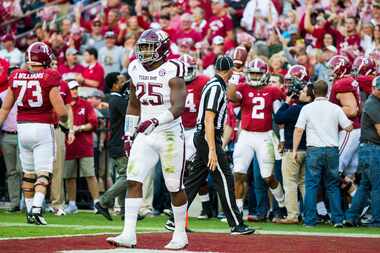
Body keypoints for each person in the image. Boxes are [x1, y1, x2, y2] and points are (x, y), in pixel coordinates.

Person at [106, 29, 189, 250]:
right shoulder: (134, 67)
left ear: (162, 48)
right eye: (142, 47)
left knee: (174, 186)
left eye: (149, 47)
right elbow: (134, 104)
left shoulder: (173, 68)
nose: (144, 52)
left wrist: (154, 121)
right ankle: (128, 234)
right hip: (145, 133)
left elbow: (179, 106)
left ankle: (180, 233)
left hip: (169, 133)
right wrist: (128, 133)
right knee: (134, 179)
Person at [182, 55, 254, 235]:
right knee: (225, 179)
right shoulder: (215, 87)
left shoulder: (216, 84)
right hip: (208, 136)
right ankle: (236, 224)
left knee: (194, 180)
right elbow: (209, 119)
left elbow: (231, 96)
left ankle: (174, 219)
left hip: (204, 136)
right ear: (229, 70)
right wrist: (213, 149)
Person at [0, 42, 68, 225]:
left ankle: (30, 210)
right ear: (46, 57)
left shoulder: (15, 75)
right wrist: (64, 122)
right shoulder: (50, 75)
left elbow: (5, 108)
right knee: (43, 173)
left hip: (22, 128)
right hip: (42, 127)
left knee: (28, 173)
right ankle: (37, 210)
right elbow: (62, 112)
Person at [227, 58, 286, 215]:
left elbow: (279, 118)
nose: (254, 77)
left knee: (267, 176)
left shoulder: (273, 91)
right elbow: (231, 95)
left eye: (257, 74)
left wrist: (282, 137)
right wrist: (235, 74)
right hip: (246, 135)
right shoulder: (243, 87)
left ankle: (282, 205)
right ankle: (238, 211)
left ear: (265, 74)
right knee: (238, 173)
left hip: (264, 137)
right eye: (252, 74)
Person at [293, 80, 353, 227]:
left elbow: (299, 130)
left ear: (313, 92)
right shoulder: (335, 108)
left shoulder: (307, 108)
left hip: (314, 149)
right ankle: (338, 220)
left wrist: (294, 149)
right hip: (332, 150)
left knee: (311, 185)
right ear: (327, 92)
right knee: (332, 185)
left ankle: (310, 221)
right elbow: (349, 127)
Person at [274, 66, 314, 224]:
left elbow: (278, 118)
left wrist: (286, 102)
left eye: (293, 83)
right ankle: (310, 215)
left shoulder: (296, 108)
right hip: (309, 149)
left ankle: (292, 215)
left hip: (294, 150)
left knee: (290, 183)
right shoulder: (311, 107)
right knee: (304, 184)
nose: (289, 86)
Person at [344, 76, 380, 227]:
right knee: (377, 186)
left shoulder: (374, 103)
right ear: (373, 89)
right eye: (378, 88)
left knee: (365, 186)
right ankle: (377, 220)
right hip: (372, 149)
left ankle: (351, 217)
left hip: (368, 149)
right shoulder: (373, 104)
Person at [95, 72, 129, 221]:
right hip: (119, 143)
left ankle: (123, 210)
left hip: (117, 143)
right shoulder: (116, 99)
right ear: (114, 85)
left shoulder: (115, 99)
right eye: (122, 81)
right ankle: (103, 202)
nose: (124, 83)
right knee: (127, 177)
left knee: (123, 176)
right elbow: (132, 111)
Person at [63, 80, 100, 214]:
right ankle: (72, 204)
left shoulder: (85, 104)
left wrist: (80, 128)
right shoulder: (63, 105)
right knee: (69, 176)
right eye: (72, 88)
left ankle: (97, 202)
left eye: (76, 88)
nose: (74, 90)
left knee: (90, 174)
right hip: (69, 145)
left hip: (84, 144)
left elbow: (94, 123)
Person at [328, 55, 362, 191]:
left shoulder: (342, 83)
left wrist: (328, 108)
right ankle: (356, 205)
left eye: (332, 68)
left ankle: (355, 199)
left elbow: (352, 110)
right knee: (349, 173)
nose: (330, 71)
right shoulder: (347, 81)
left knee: (335, 170)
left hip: (348, 130)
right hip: (353, 130)